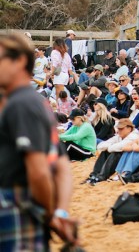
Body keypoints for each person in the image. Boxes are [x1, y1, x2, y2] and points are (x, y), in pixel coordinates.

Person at [0, 33, 78, 250]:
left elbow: (39, 171)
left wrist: (50, 215)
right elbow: (61, 164)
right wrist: (59, 212)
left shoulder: (21, 103)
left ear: (20, 61)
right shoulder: (38, 102)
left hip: (15, 206)